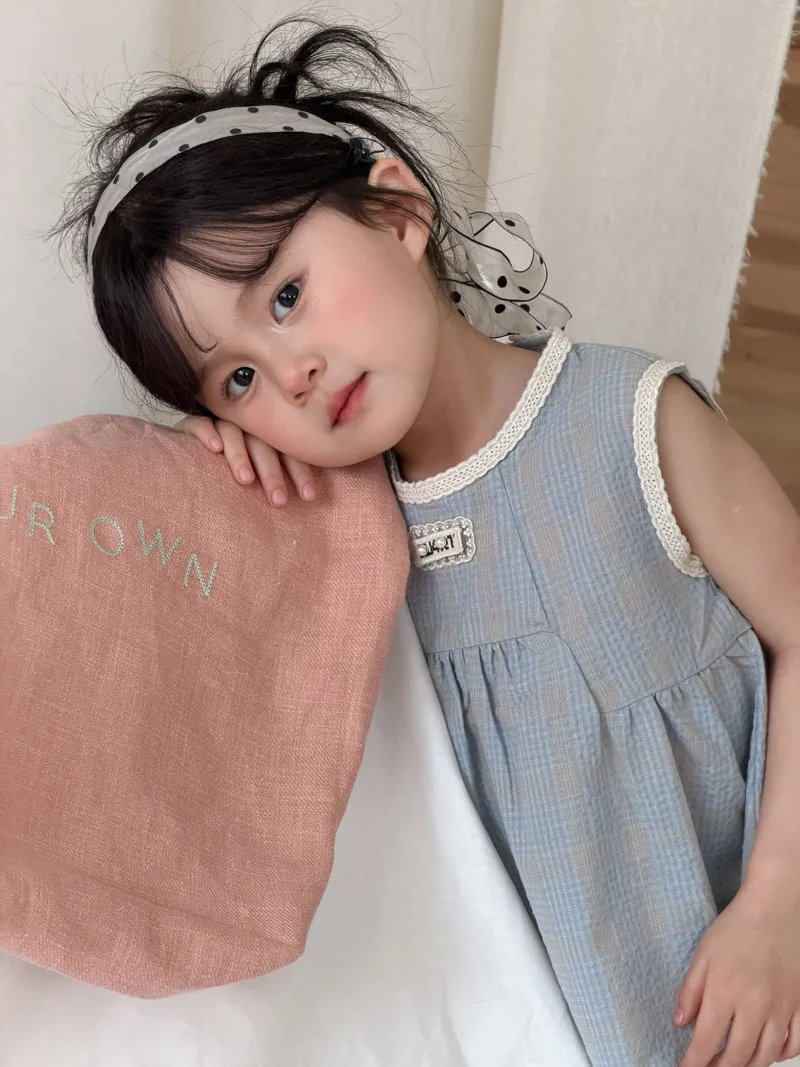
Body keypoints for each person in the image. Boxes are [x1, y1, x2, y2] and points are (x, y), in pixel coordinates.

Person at [52, 16, 800, 1067]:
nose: (293, 372)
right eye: (237, 378)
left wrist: (776, 906)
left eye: (287, 295)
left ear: (398, 211)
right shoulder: (341, 540)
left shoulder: (627, 419)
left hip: (750, 976)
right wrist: (210, 471)